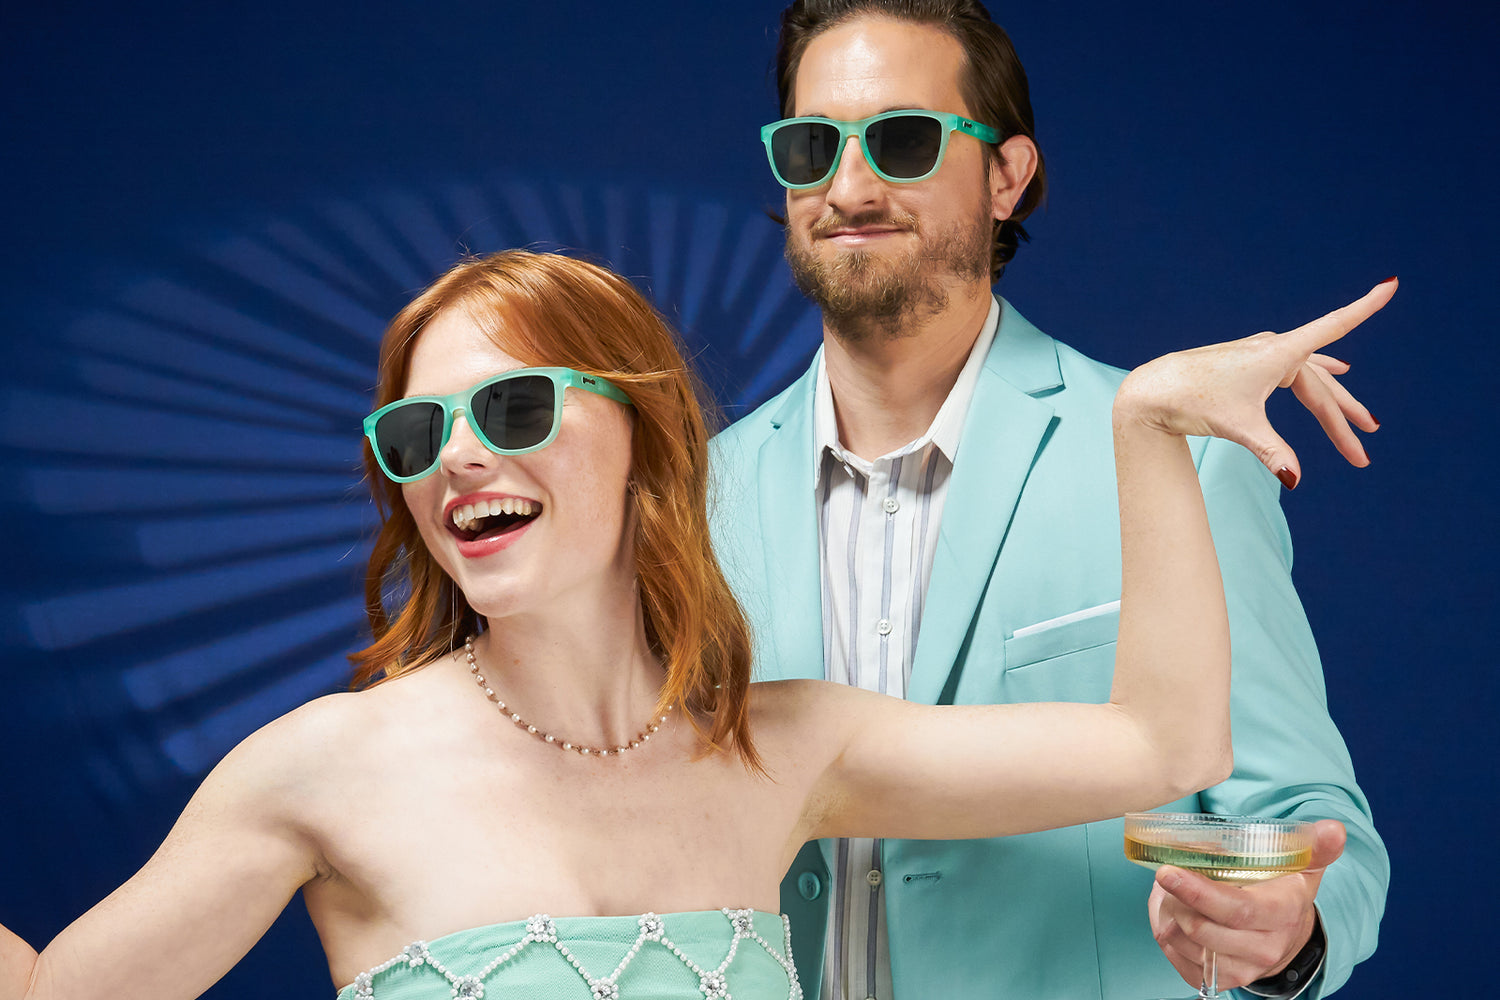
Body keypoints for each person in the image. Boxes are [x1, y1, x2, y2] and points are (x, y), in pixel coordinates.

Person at [0, 249, 1386, 1000]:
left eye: (517, 408)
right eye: (419, 432)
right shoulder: (322, 770)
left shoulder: (783, 751)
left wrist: (1143, 426)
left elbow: (1163, 743)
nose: (462, 457)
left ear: (645, 437)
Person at [707, 2, 1390, 998]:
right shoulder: (692, 501)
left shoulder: (1185, 462)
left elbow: (1313, 827)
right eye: (814, 146)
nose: (848, 186)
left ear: (1008, 176)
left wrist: (1289, 929)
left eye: (902, 140)